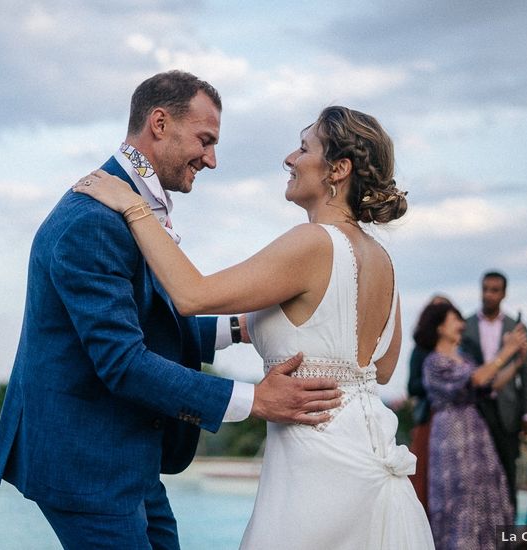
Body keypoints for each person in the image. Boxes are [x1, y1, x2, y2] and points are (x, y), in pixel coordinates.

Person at [0, 71, 343, 550]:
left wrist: (245, 326)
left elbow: (151, 319)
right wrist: (254, 401)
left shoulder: (131, 205)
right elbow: (123, 362)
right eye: (205, 140)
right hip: (87, 461)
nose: (212, 160)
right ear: (159, 123)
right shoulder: (94, 220)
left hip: (129, 454)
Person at [75, 106, 433, 548]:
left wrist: (133, 207)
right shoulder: (383, 261)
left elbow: (192, 295)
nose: (289, 158)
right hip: (369, 454)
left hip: (314, 464)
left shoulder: (313, 243)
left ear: (338, 169)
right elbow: (380, 368)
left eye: (304, 148)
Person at [418, 301, 527, 549]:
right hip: (451, 434)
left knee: (484, 491)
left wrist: (517, 362)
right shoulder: (434, 362)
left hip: (475, 431)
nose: (461, 324)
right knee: (458, 495)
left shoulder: (464, 357)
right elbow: (477, 378)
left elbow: (491, 384)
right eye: (454, 318)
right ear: (439, 327)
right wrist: (506, 351)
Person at [461, 270, 527, 511]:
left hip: (506, 409)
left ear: (504, 293)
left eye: (494, 290)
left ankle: (508, 531)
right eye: (485, 289)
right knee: (475, 471)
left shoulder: (516, 327)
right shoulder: (466, 324)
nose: (488, 295)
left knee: (507, 469)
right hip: (475, 407)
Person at [408, 294, 453, 514]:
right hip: (429, 417)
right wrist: (437, 382)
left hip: (455, 420)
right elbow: (412, 386)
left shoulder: (460, 347)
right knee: (424, 476)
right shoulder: (420, 349)